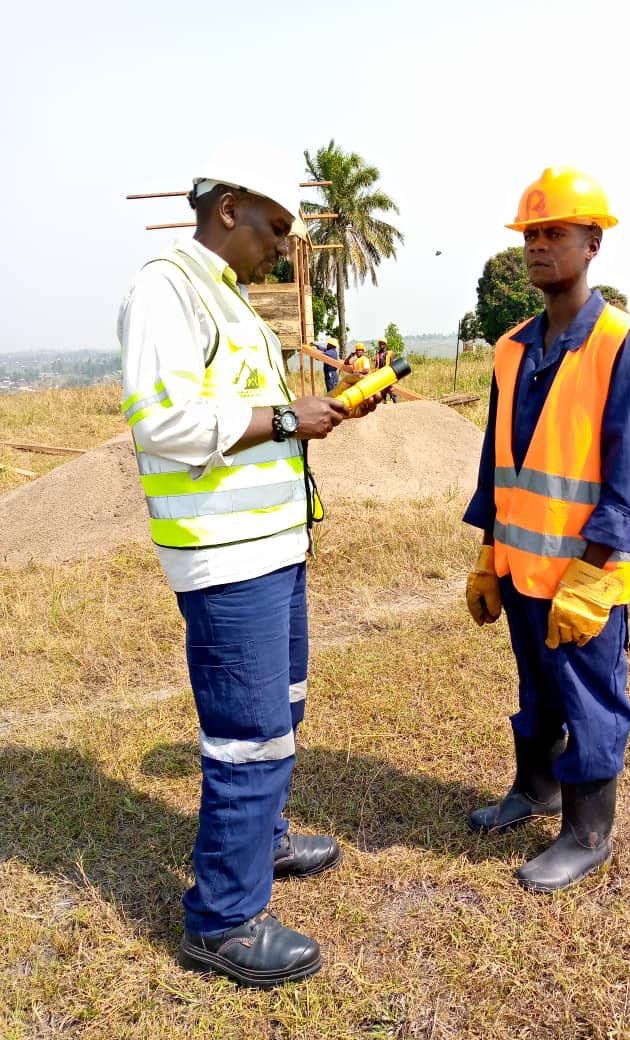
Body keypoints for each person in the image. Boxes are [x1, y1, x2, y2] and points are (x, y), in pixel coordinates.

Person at [117, 140, 379, 988]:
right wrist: (287, 419)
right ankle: (224, 921)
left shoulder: (224, 298)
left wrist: (318, 407)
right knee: (246, 737)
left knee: (281, 710)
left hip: (271, 550)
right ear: (226, 207)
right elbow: (164, 422)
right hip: (226, 564)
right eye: (272, 226)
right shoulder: (168, 286)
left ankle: (264, 843)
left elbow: (254, 412)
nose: (279, 245)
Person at [464, 167, 630, 893]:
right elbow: (501, 463)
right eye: (531, 234)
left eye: (555, 234)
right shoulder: (513, 348)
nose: (539, 246)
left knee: (589, 698)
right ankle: (537, 788)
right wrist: (489, 553)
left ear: (592, 244)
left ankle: (588, 831)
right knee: (539, 688)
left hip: (586, 573)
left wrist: (593, 571)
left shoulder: (622, 346)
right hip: (522, 568)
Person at [375, 336, 397, 403]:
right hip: (380, 373)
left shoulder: (390, 353)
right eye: (380, 344)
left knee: (389, 387)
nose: (381, 345)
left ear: (385, 344)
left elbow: (392, 363)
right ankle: (384, 400)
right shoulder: (378, 354)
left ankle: (393, 398)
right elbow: (376, 365)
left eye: (383, 343)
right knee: (382, 388)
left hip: (388, 373)